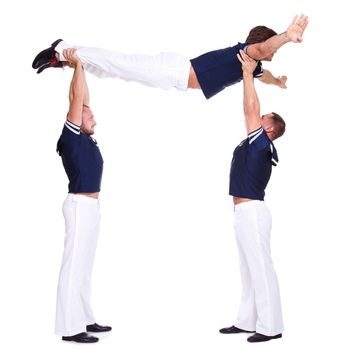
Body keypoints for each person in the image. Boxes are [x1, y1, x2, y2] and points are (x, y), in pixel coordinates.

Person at [32, 15, 308, 99]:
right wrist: (286, 36)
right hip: (172, 70)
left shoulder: (253, 67)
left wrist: (280, 82)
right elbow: (264, 49)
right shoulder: (247, 54)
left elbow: (266, 76)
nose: (273, 53)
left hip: (174, 77)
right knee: (119, 63)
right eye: (271, 47)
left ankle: (64, 59)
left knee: (114, 70)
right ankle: (62, 47)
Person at [219, 49, 285, 343]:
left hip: (253, 213)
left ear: (268, 128)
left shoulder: (261, 145)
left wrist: (248, 75)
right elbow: (251, 111)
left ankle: (271, 327)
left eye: (263, 118)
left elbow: (248, 108)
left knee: (260, 268)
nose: (258, 117)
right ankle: (246, 321)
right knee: (248, 268)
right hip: (244, 213)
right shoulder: (257, 144)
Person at [54, 48, 111, 343]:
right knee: (74, 264)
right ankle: (70, 327)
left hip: (91, 207)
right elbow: (77, 99)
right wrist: (76, 62)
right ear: (75, 118)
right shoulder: (71, 136)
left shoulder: (85, 137)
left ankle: (85, 318)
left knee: (84, 264)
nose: (95, 120)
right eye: (90, 116)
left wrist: (82, 67)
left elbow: (84, 98)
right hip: (78, 204)